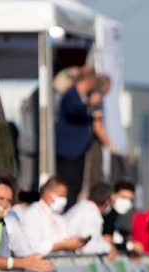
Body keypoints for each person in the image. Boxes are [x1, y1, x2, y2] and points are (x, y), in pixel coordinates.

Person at [0, 175, 53, 272]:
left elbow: (4, 261)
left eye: (9, 200)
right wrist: (24, 263)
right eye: (0, 198)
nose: (4, 204)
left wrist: (33, 262)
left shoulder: (0, 221)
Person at [56, 65, 97, 209]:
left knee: (76, 185)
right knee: (69, 185)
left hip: (78, 150)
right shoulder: (71, 95)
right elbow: (74, 111)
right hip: (69, 150)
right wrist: (89, 106)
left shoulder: (81, 97)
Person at [21, 176, 88, 256]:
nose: (64, 200)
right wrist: (62, 245)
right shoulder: (33, 214)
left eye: (65, 197)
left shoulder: (58, 216)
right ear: (47, 194)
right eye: (61, 196)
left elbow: (62, 237)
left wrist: (73, 241)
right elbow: (34, 248)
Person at [65, 182, 116, 259]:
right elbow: (88, 247)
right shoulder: (91, 215)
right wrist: (108, 248)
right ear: (107, 201)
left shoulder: (83, 208)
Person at [103, 179, 137, 255]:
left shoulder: (120, 217)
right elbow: (106, 240)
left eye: (130, 199)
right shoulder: (106, 213)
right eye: (123, 197)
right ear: (113, 195)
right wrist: (130, 246)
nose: (127, 202)